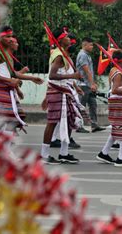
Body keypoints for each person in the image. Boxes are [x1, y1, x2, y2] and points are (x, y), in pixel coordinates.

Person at [0, 26, 43, 157]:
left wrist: (31, 78)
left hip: (7, 90)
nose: (10, 39)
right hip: (0, 89)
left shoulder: (6, 53)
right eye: (7, 36)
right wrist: (10, 81)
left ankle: (2, 151)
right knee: (5, 121)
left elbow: (13, 73)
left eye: (11, 36)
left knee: (7, 122)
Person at [40, 27, 81, 165]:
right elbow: (52, 76)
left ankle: (64, 153)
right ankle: (44, 154)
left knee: (69, 121)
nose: (70, 39)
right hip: (58, 92)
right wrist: (73, 75)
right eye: (67, 36)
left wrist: (75, 86)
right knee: (52, 122)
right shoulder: (59, 55)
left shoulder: (64, 54)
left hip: (66, 92)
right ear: (60, 39)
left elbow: (64, 77)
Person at [96, 50, 122, 167]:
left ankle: (104, 153)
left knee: (117, 128)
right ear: (121, 60)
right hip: (118, 101)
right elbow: (115, 89)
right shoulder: (118, 73)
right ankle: (121, 158)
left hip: (116, 101)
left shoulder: (114, 70)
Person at [76, 37, 105, 133]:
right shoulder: (83, 55)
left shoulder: (87, 55)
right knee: (81, 105)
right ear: (85, 45)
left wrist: (93, 82)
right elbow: (86, 70)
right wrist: (92, 83)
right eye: (90, 45)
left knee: (93, 104)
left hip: (88, 84)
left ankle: (94, 124)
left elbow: (90, 72)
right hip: (83, 84)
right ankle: (79, 125)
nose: (92, 47)